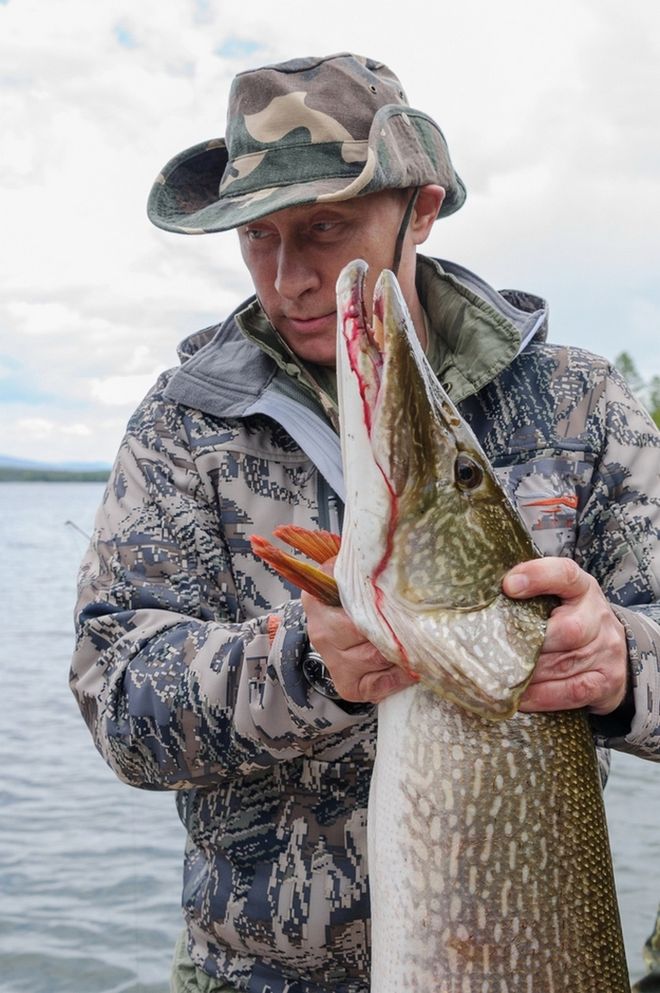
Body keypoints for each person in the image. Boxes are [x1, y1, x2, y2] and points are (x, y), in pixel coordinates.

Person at [70, 52, 660, 993]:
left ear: (419, 210)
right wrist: (303, 668)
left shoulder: (580, 405)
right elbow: (118, 698)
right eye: (257, 235)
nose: (289, 277)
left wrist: (622, 661)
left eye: (324, 227)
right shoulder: (184, 424)